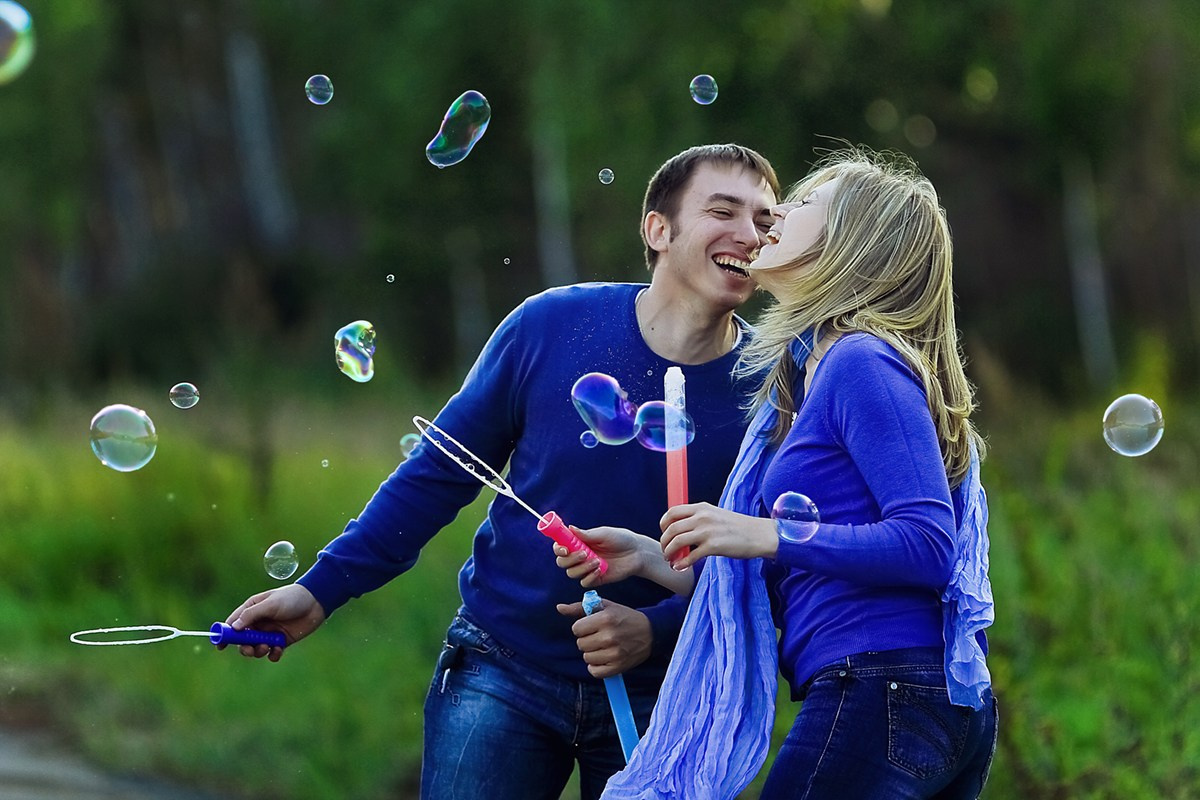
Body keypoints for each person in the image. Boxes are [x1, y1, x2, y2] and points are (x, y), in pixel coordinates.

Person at [222, 143, 781, 800]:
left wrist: (655, 633)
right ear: (658, 230)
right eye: (725, 211)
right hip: (503, 670)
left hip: (670, 695)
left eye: (766, 222)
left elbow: (769, 571)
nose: (750, 235)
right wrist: (320, 591)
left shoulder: (774, 393)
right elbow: (438, 474)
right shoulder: (550, 327)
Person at [556, 146, 998, 799]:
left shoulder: (860, 361)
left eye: (805, 204)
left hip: (885, 687)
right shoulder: (811, 375)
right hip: (901, 695)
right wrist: (652, 558)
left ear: (851, 243)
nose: (778, 213)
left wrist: (758, 533)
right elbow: (802, 566)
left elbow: (928, 544)